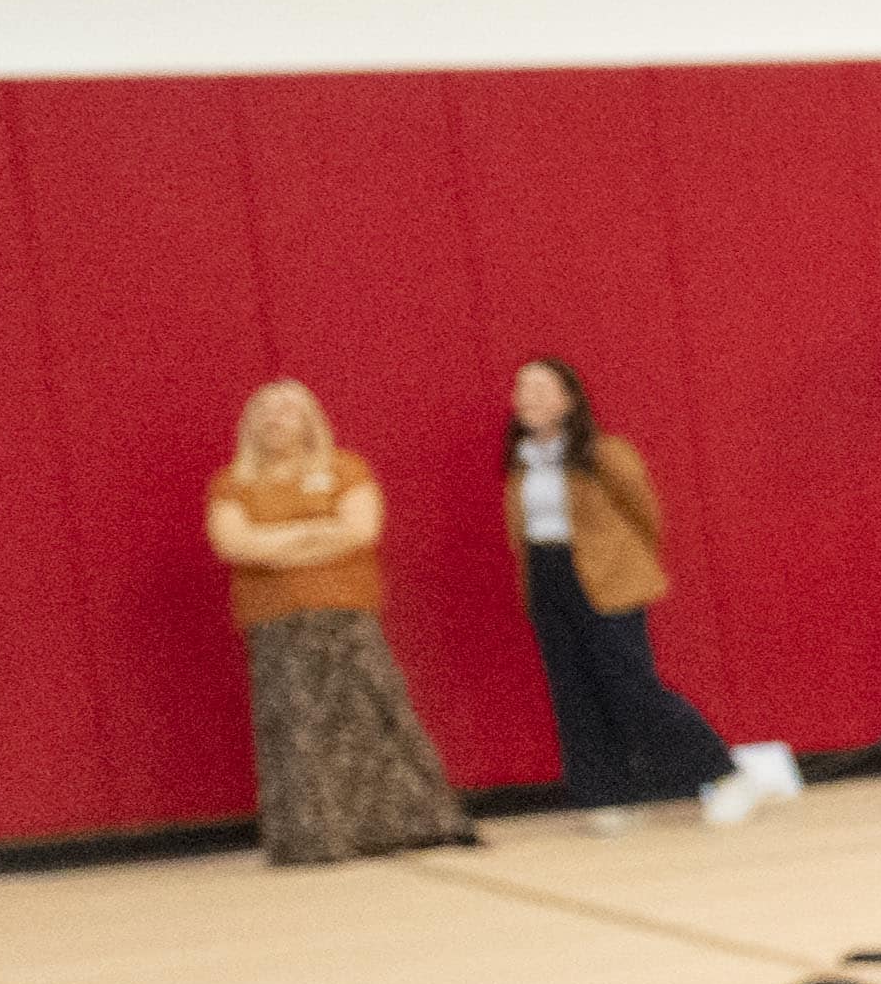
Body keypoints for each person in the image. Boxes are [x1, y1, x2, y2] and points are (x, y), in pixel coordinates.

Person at [498, 352, 789, 819]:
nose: (526, 397)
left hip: (609, 580)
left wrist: (628, 567)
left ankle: (724, 773)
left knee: (631, 685)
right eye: (521, 388)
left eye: (539, 388)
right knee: (573, 692)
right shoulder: (521, 462)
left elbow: (644, 514)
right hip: (547, 579)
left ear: (568, 399)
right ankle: (605, 795)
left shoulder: (605, 453)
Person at [202, 379, 470, 863]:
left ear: (310, 421)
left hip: (346, 616)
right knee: (296, 725)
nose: (275, 418)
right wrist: (318, 532)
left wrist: (275, 542)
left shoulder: (346, 469)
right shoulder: (232, 484)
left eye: (287, 409)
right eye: (264, 410)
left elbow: (361, 531)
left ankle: (411, 823)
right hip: (276, 622)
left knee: (372, 716)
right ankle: (315, 836)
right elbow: (235, 544)